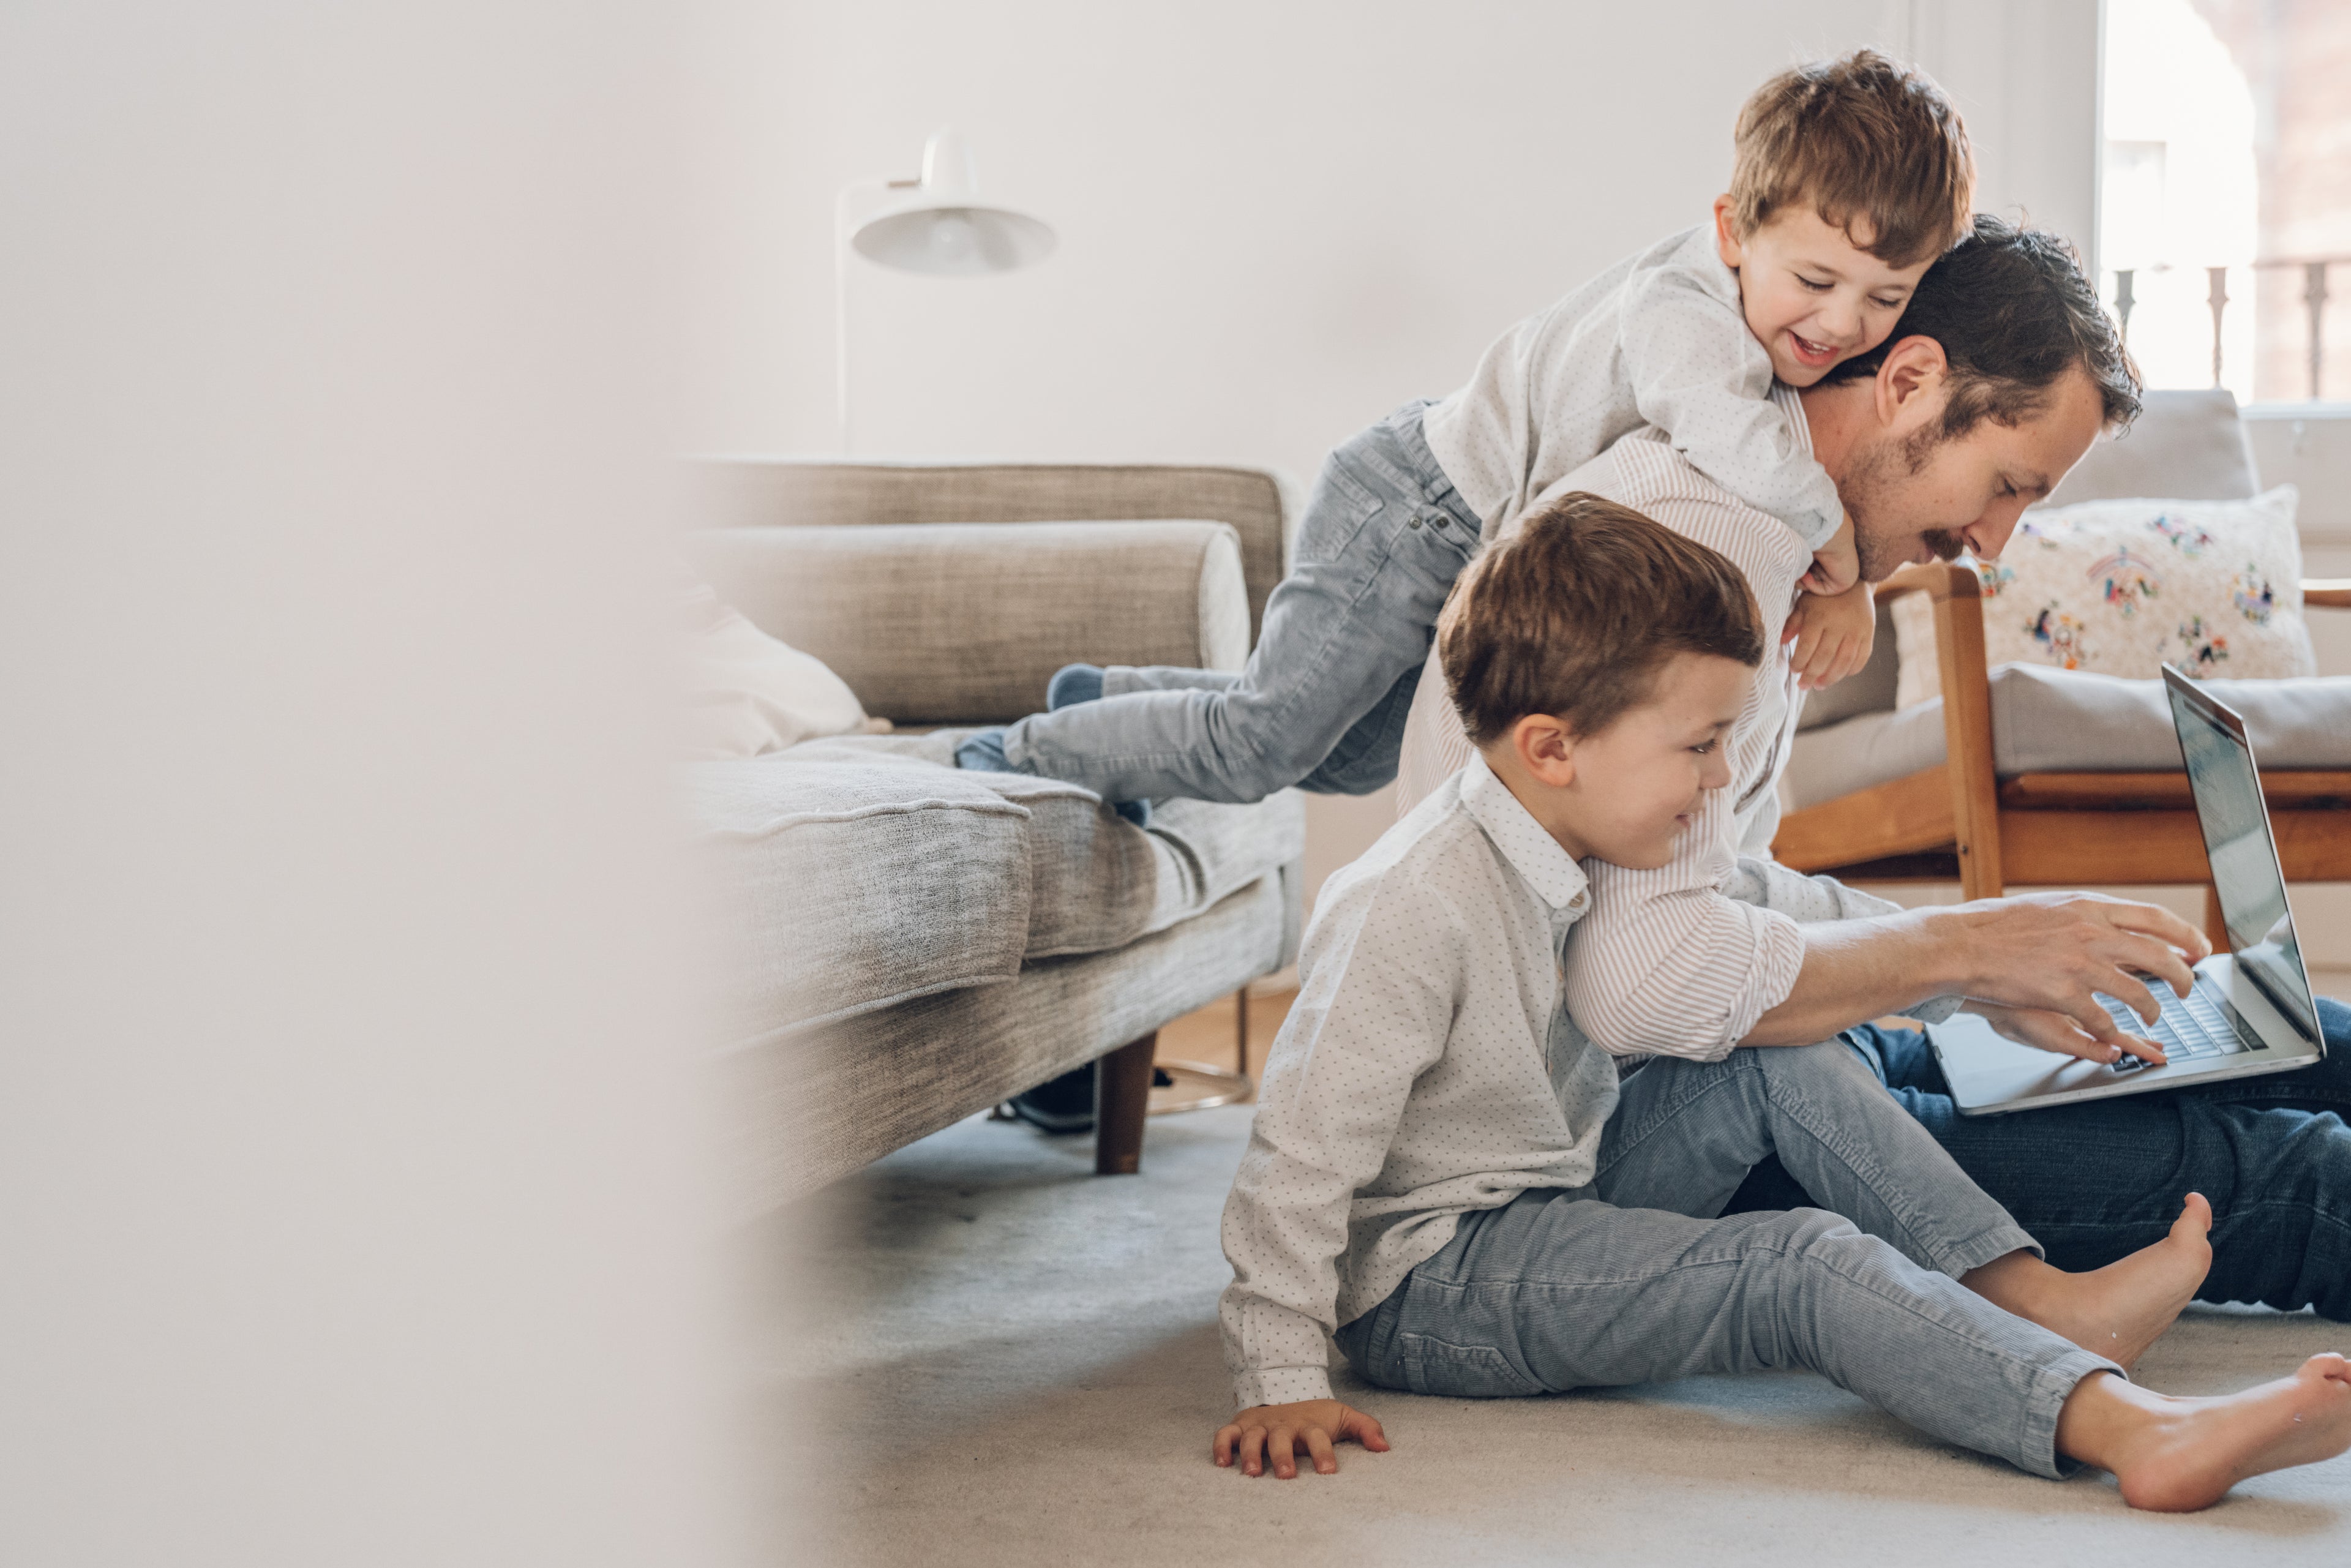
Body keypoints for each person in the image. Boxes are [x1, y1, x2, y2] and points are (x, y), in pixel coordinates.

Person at [1212, 495, 2351, 1507]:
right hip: (1435, 1275)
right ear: (1552, 747)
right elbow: (1298, 1157)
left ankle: (2029, 1296)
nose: (1720, 779)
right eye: (1702, 745)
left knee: (1772, 1056)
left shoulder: (1589, 826)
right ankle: (2134, 1431)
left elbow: (1777, 910)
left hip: (1566, 1168)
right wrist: (1277, 1375)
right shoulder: (1411, 903)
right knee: (1795, 1258)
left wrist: (1982, 968)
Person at [1393, 214, 2351, 1322]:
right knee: (2285, 1174)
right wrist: (1970, 951)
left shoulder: (1780, 541)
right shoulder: (1703, 551)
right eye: (2006, 483)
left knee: (2286, 1036)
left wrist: (1983, 969)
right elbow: (1642, 978)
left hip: (1751, 1056)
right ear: (1911, 379)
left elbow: (1727, 887)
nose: (1993, 543)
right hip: (1661, 1123)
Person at [956, 49, 1973, 811]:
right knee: (1265, 743)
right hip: (1408, 507)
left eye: (1884, 299)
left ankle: (1104, 696)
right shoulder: (1683, 312)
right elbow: (1742, 445)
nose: (1842, 324)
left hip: (1464, 541)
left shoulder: (1799, 337)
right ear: (1731, 233)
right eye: (1815, 281)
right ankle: (1027, 751)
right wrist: (1847, 566)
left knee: (1351, 756)